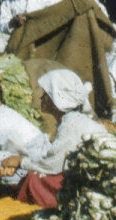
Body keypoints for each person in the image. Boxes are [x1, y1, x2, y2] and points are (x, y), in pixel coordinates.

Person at [16, 69, 107, 208]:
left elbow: (51, 166)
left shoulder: (71, 124)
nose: (41, 98)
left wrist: (21, 162)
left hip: (90, 181)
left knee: (34, 179)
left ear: (57, 99)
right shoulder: (70, 120)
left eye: (46, 94)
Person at [0, 78, 50, 190]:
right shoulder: (3, 112)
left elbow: (8, 156)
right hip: (37, 148)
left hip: (36, 155)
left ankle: (17, 188)